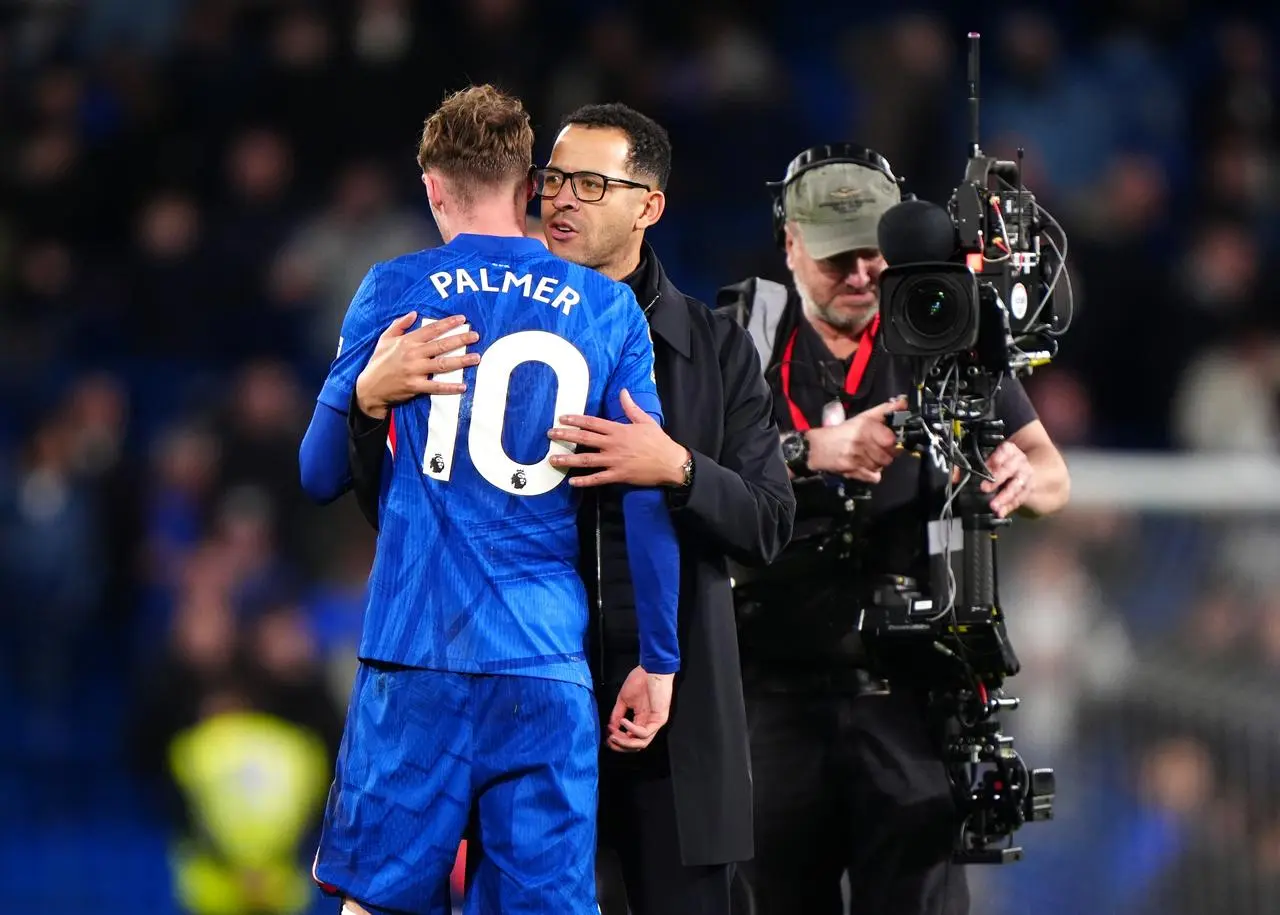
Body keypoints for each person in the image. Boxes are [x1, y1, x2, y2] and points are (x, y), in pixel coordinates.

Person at [347, 103, 797, 915]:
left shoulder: (717, 346)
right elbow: (396, 503)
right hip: (527, 685)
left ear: (648, 206)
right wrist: (365, 405)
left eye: (592, 183)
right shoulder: (467, 316)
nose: (562, 199)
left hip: (667, 715)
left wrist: (679, 468)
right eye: (554, 178)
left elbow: (770, 520)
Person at [298, 85, 683, 915]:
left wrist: (365, 394)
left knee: (377, 903)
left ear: (433, 187)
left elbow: (318, 473)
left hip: (413, 653)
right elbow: (644, 492)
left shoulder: (394, 287)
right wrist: (659, 657)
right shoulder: (610, 308)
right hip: (542, 662)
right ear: (532, 185)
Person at [714, 144, 1072, 915]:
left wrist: (1018, 478)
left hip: (910, 696)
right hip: (769, 688)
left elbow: (1051, 474)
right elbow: (687, 472)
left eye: (876, 251)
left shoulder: (939, 322)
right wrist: (806, 451)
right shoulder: (738, 337)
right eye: (839, 258)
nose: (863, 274)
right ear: (791, 244)